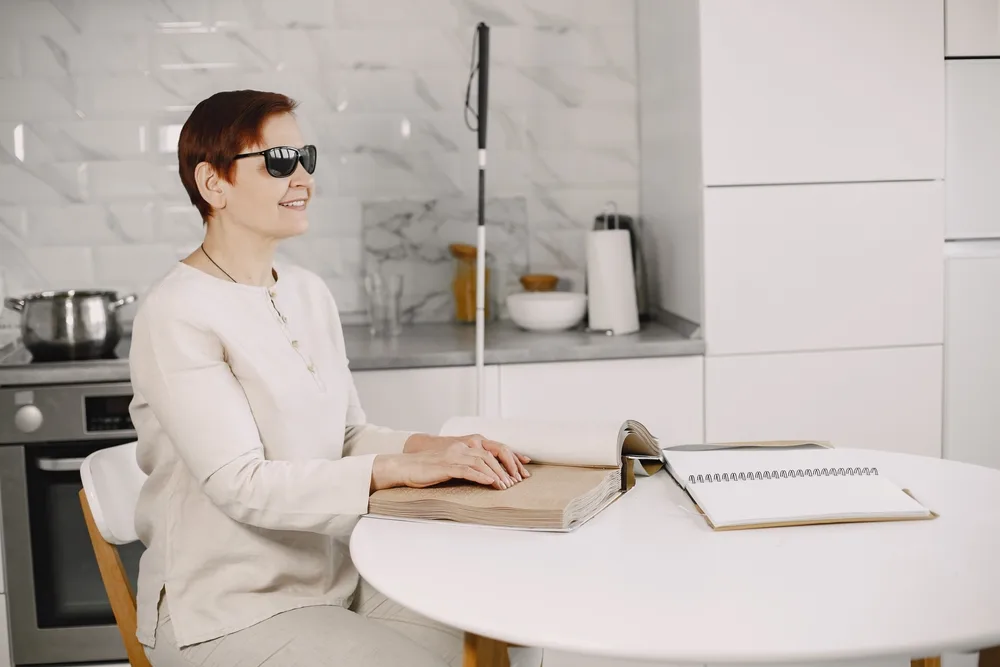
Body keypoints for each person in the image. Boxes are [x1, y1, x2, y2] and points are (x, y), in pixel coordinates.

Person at [128, 89, 533, 667]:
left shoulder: (306, 291)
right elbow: (240, 484)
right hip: (226, 607)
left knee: (511, 644)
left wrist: (442, 450)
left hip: (338, 577)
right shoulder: (176, 313)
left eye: (305, 157)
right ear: (213, 184)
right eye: (277, 162)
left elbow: (345, 436)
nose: (302, 178)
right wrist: (401, 469)